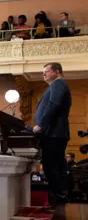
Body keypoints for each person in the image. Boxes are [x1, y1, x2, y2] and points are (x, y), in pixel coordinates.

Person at [33, 62, 71, 208]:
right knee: (54, 167)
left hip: (54, 132)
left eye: (46, 71)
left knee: (51, 167)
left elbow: (53, 104)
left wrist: (41, 125)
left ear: (57, 72)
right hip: (54, 132)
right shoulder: (55, 85)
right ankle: (60, 203)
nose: (43, 74)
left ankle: (60, 203)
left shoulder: (58, 84)